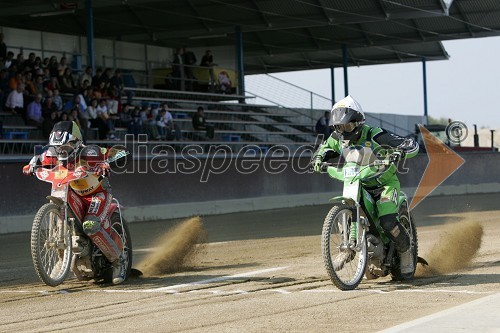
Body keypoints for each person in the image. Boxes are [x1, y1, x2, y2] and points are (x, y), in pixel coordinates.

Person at [311, 95, 419, 274]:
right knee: (347, 206)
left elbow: (411, 145)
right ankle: (348, 247)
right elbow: (323, 150)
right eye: (339, 127)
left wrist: (400, 152)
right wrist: (317, 159)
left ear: (359, 123)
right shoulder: (336, 138)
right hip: (357, 184)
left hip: (384, 185)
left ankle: (405, 251)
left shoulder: (375, 134)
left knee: (387, 221)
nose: (344, 131)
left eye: (348, 126)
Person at [22, 121, 130, 284]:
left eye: (65, 147)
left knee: (90, 225)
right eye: (58, 148)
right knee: (64, 213)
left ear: (76, 143)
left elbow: (122, 153)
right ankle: (62, 258)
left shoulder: (91, 152)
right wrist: (31, 165)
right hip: (74, 193)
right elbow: (38, 158)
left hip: (97, 194)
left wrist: (107, 162)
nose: (60, 152)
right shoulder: (51, 153)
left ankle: (118, 261)